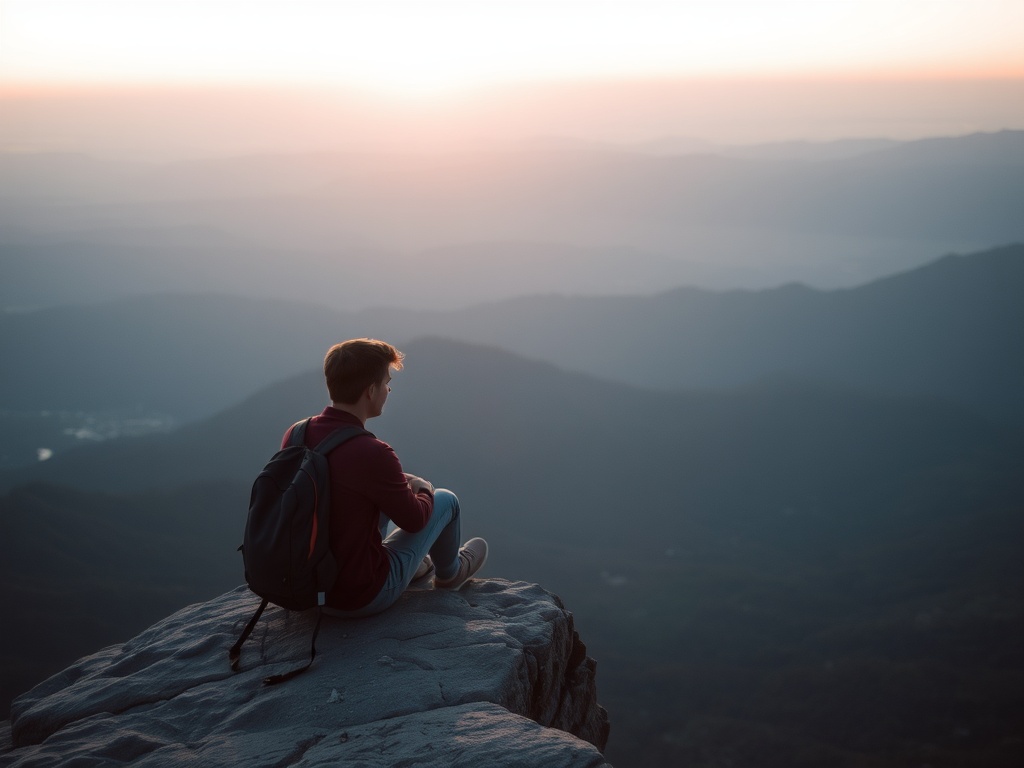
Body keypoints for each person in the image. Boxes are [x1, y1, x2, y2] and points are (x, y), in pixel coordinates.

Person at [281, 338, 487, 618]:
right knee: (446, 501)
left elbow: (337, 481)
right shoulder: (373, 452)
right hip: (360, 596)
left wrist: (396, 480)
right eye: (387, 382)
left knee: (375, 506)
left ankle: (416, 565)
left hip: (306, 588)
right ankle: (450, 574)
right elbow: (415, 520)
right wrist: (423, 489)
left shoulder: (297, 434)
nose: (388, 389)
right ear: (370, 391)